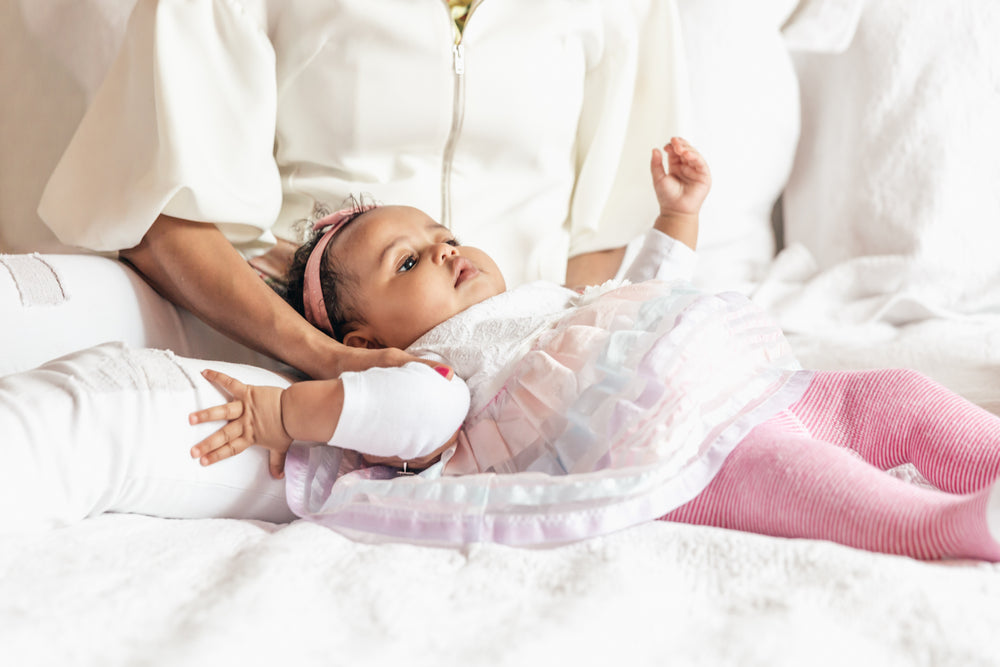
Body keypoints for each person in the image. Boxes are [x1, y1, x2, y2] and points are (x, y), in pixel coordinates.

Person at [184, 137, 1000, 561]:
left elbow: (638, 302)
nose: (443, 250)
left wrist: (676, 218)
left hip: (744, 380)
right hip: (682, 452)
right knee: (804, 481)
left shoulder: (544, 306)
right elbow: (388, 414)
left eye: (443, 235)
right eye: (408, 262)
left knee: (889, 392)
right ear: (364, 339)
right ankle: (948, 525)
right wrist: (281, 412)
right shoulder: (426, 371)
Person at [34, 0, 688, 381]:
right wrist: (329, 364)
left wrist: (554, 370)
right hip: (290, 363)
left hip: (529, 368)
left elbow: (604, 219)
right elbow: (161, 216)